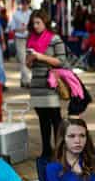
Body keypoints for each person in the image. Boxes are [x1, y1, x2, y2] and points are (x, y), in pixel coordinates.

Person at [26, 9, 68, 159]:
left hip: (51, 85)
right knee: (42, 120)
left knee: (55, 119)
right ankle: (46, 150)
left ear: (45, 22)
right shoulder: (30, 40)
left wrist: (41, 56)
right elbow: (28, 65)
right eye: (33, 23)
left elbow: (62, 61)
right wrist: (30, 60)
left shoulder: (54, 39)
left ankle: (59, 150)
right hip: (36, 85)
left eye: (38, 22)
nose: (36, 26)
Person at [8, 0, 33, 87]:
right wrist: (20, 29)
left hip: (30, 38)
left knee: (29, 59)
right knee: (22, 60)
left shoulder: (31, 14)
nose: (25, 6)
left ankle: (23, 80)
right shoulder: (16, 14)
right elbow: (12, 28)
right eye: (23, 4)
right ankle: (27, 81)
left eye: (27, 4)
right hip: (20, 39)